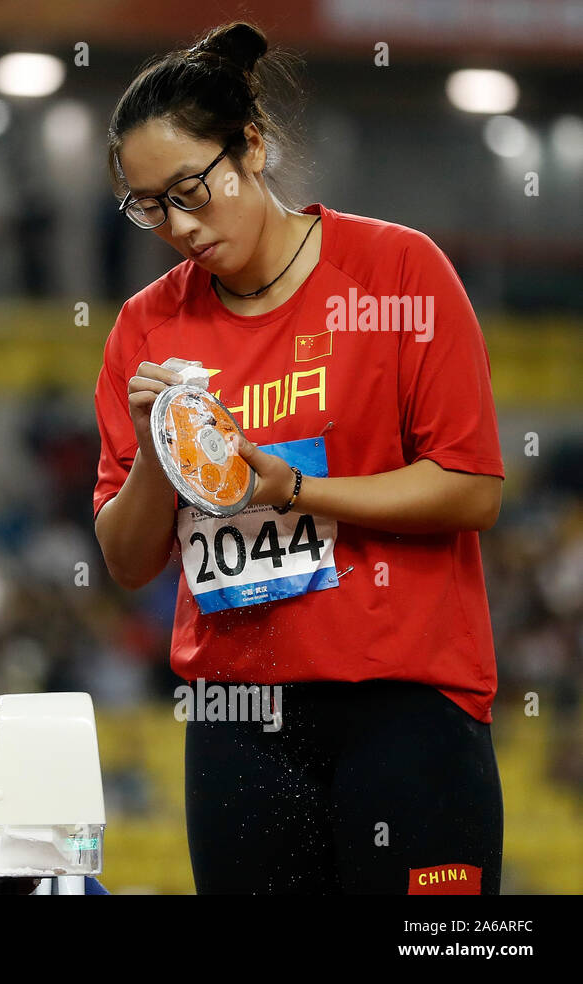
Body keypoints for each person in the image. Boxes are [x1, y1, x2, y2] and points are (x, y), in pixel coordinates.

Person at [93, 22, 505, 894]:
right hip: (239, 724)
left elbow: (470, 488)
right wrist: (154, 459)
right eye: (149, 206)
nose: (176, 224)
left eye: (192, 189)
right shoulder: (145, 330)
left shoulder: (397, 274)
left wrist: (301, 490)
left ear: (252, 146)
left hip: (404, 707)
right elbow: (129, 563)